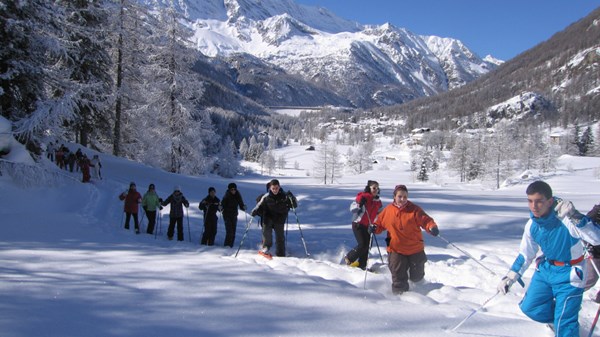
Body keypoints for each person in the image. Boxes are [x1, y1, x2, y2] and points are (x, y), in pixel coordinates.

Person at [497, 181, 600, 337]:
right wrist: (511, 276)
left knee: (564, 323)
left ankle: (566, 325)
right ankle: (564, 322)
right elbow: (526, 254)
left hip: (570, 274)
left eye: (539, 201)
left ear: (550, 201)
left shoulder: (568, 220)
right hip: (545, 270)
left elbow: (596, 238)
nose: (534, 206)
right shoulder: (532, 224)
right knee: (530, 307)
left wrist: (577, 216)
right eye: (530, 201)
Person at [372, 184, 439, 294]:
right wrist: (374, 228)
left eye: (405, 197)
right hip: (395, 249)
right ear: (394, 197)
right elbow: (379, 224)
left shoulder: (414, 210)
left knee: (417, 276)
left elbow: (426, 220)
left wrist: (432, 227)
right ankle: (400, 299)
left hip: (415, 248)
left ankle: (417, 289)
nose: (402, 199)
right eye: (400, 196)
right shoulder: (388, 211)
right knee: (398, 276)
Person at [251, 179, 297, 258]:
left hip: (279, 218)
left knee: (280, 236)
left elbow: (294, 206)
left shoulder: (285, 196)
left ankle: (281, 253)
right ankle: (266, 248)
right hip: (268, 218)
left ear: (279, 187)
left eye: (276, 188)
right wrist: (255, 211)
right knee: (266, 232)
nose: (275, 190)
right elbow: (259, 207)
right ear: (270, 188)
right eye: (273, 188)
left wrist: (292, 198)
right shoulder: (265, 197)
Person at [344, 180, 382, 270]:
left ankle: (362, 265)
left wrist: (376, 224)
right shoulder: (362, 197)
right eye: (374, 188)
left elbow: (379, 214)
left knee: (368, 245)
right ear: (369, 188)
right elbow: (352, 209)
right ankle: (349, 258)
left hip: (369, 226)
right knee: (363, 244)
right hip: (358, 224)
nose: (375, 190)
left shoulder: (378, 201)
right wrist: (360, 204)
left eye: (377, 188)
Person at [221, 182, 246, 248]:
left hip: (234, 215)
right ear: (229, 190)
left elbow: (241, 203)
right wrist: (220, 207)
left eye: (234, 189)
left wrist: (243, 207)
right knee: (229, 231)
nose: (233, 191)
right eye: (232, 189)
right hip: (226, 215)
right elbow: (222, 204)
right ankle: (227, 246)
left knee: (233, 232)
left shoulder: (237, 195)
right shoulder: (227, 195)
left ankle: (230, 246)